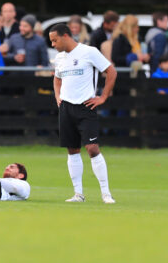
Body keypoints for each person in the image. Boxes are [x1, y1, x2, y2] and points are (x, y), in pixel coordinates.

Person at [50, 24, 117, 204]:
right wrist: (58, 97)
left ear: (65, 36)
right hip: (66, 108)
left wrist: (103, 97)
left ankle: (106, 193)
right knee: (72, 150)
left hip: (86, 107)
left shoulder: (89, 52)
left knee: (92, 148)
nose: (53, 44)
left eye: (55, 40)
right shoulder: (59, 58)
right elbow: (57, 79)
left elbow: (111, 72)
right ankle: (78, 194)